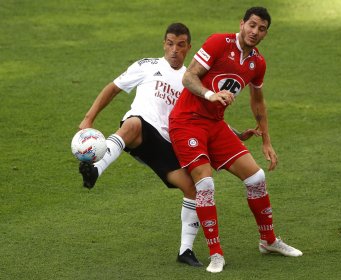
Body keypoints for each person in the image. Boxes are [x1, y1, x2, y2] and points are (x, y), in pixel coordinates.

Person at [168, 7, 303, 273]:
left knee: (257, 178)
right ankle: (216, 253)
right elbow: (189, 76)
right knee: (205, 184)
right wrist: (210, 95)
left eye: (261, 28)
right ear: (241, 24)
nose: (255, 32)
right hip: (187, 122)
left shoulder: (258, 63)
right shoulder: (219, 42)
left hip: (215, 125)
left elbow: (258, 100)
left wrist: (266, 140)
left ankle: (268, 240)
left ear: (265, 33)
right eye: (252, 25)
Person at [77, 23, 203, 267]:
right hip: (140, 130)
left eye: (180, 45)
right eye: (169, 43)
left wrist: (235, 135)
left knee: (193, 189)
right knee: (133, 123)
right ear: (163, 44)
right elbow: (112, 89)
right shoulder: (147, 66)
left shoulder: (191, 81)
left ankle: (185, 251)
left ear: (188, 47)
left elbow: (205, 120)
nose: (174, 49)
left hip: (165, 143)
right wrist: (89, 118)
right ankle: (95, 170)